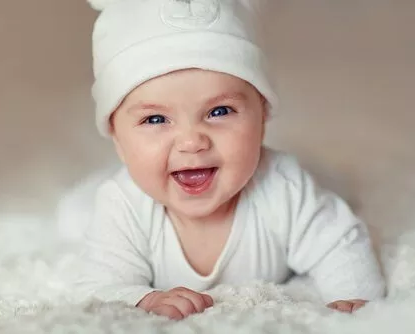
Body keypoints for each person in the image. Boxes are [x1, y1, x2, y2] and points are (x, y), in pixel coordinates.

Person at [70, 0, 386, 320]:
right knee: (75, 218)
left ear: (262, 115)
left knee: (328, 190)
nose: (192, 141)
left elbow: (341, 245)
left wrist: (353, 297)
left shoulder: (284, 187)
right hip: (101, 201)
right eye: (155, 119)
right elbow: (98, 288)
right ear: (117, 138)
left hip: (295, 180)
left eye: (219, 112)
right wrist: (144, 299)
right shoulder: (123, 205)